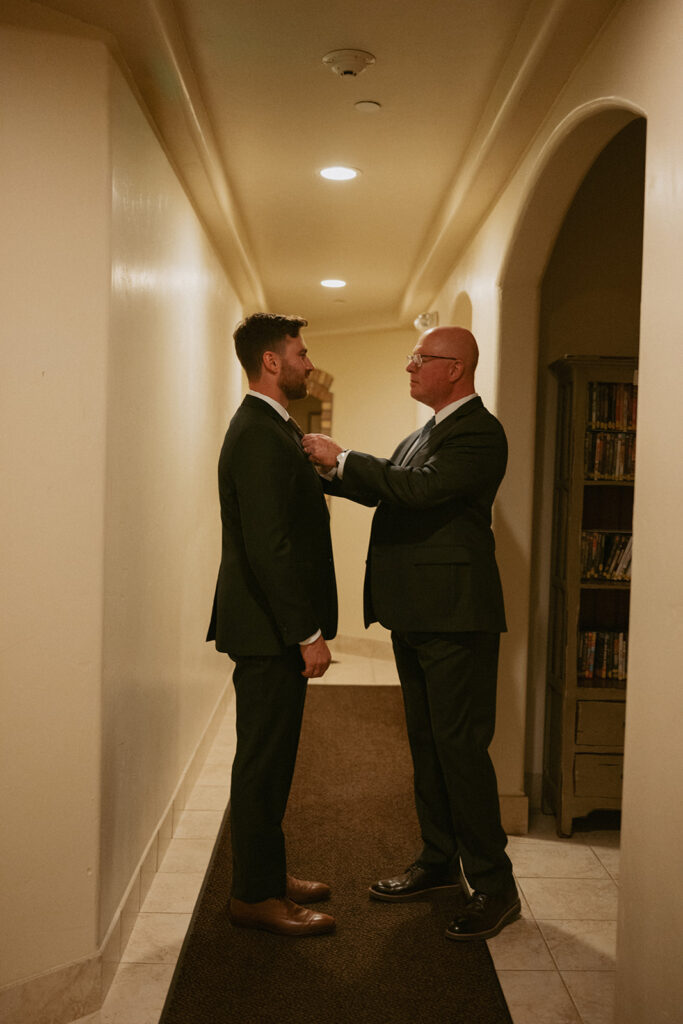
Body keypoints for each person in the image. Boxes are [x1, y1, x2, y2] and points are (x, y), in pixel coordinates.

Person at [302, 325, 520, 941]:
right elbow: (391, 492)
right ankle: (438, 860)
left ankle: (495, 886)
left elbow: (418, 490)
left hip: (456, 615)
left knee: (460, 748)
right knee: (427, 744)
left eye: (419, 359)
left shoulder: (479, 431)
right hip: (419, 612)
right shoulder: (425, 432)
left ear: (455, 368)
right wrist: (324, 471)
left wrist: (342, 459)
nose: (409, 367)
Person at [207, 313, 337, 937]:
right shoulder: (259, 432)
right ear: (271, 362)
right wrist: (306, 632)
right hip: (267, 632)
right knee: (262, 762)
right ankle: (254, 896)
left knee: (273, 759)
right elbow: (269, 546)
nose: (308, 363)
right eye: (301, 352)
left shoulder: (272, 428)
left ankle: (266, 871)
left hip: (267, 628)